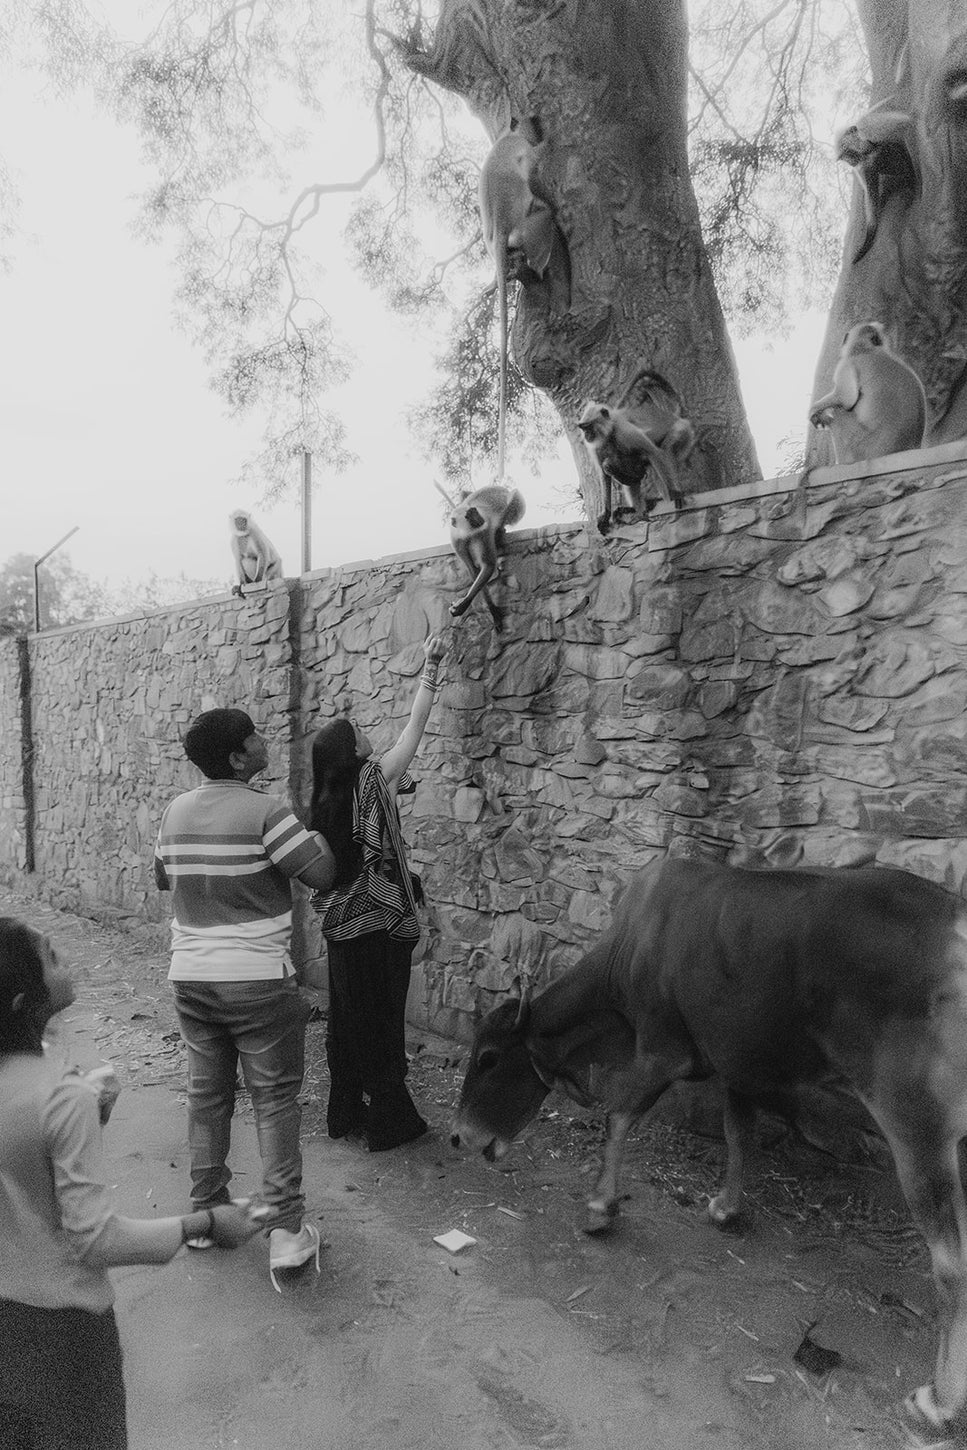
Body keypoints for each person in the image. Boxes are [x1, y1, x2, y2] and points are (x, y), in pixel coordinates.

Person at [0, 917, 262, 1450]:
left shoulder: (47, 1089)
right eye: (52, 957)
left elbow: (19, 1164)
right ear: (24, 1002)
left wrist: (85, 1117)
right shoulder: (59, 1095)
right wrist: (205, 1221)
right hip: (64, 1330)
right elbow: (93, 1238)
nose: (67, 960)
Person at [154, 708, 337, 1289]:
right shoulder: (267, 812)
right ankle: (284, 1231)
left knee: (207, 1096)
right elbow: (323, 876)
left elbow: (166, 879)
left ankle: (206, 1216)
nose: (265, 742)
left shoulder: (175, 811)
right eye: (255, 736)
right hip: (257, 978)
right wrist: (320, 837)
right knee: (275, 1099)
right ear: (238, 758)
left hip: (190, 976)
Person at [308, 634, 445, 1152]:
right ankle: (390, 1122)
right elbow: (416, 728)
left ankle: (345, 1113)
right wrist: (430, 669)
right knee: (383, 1024)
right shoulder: (374, 779)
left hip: (342, 928)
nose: (368, 735)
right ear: (353, 753)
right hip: (382, 927)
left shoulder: (323, 801)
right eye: (360, 733)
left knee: (347, 1023)